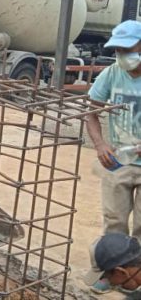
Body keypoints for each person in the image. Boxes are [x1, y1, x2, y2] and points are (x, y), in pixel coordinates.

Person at [87, 20, 141, 292]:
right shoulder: (111, 73)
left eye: (127, 49)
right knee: (114, 221)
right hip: (118, 161)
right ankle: (112, 272)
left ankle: (136, 276)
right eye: (118, 50)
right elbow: (91, 112)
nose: (122, 55)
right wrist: (99, 145)